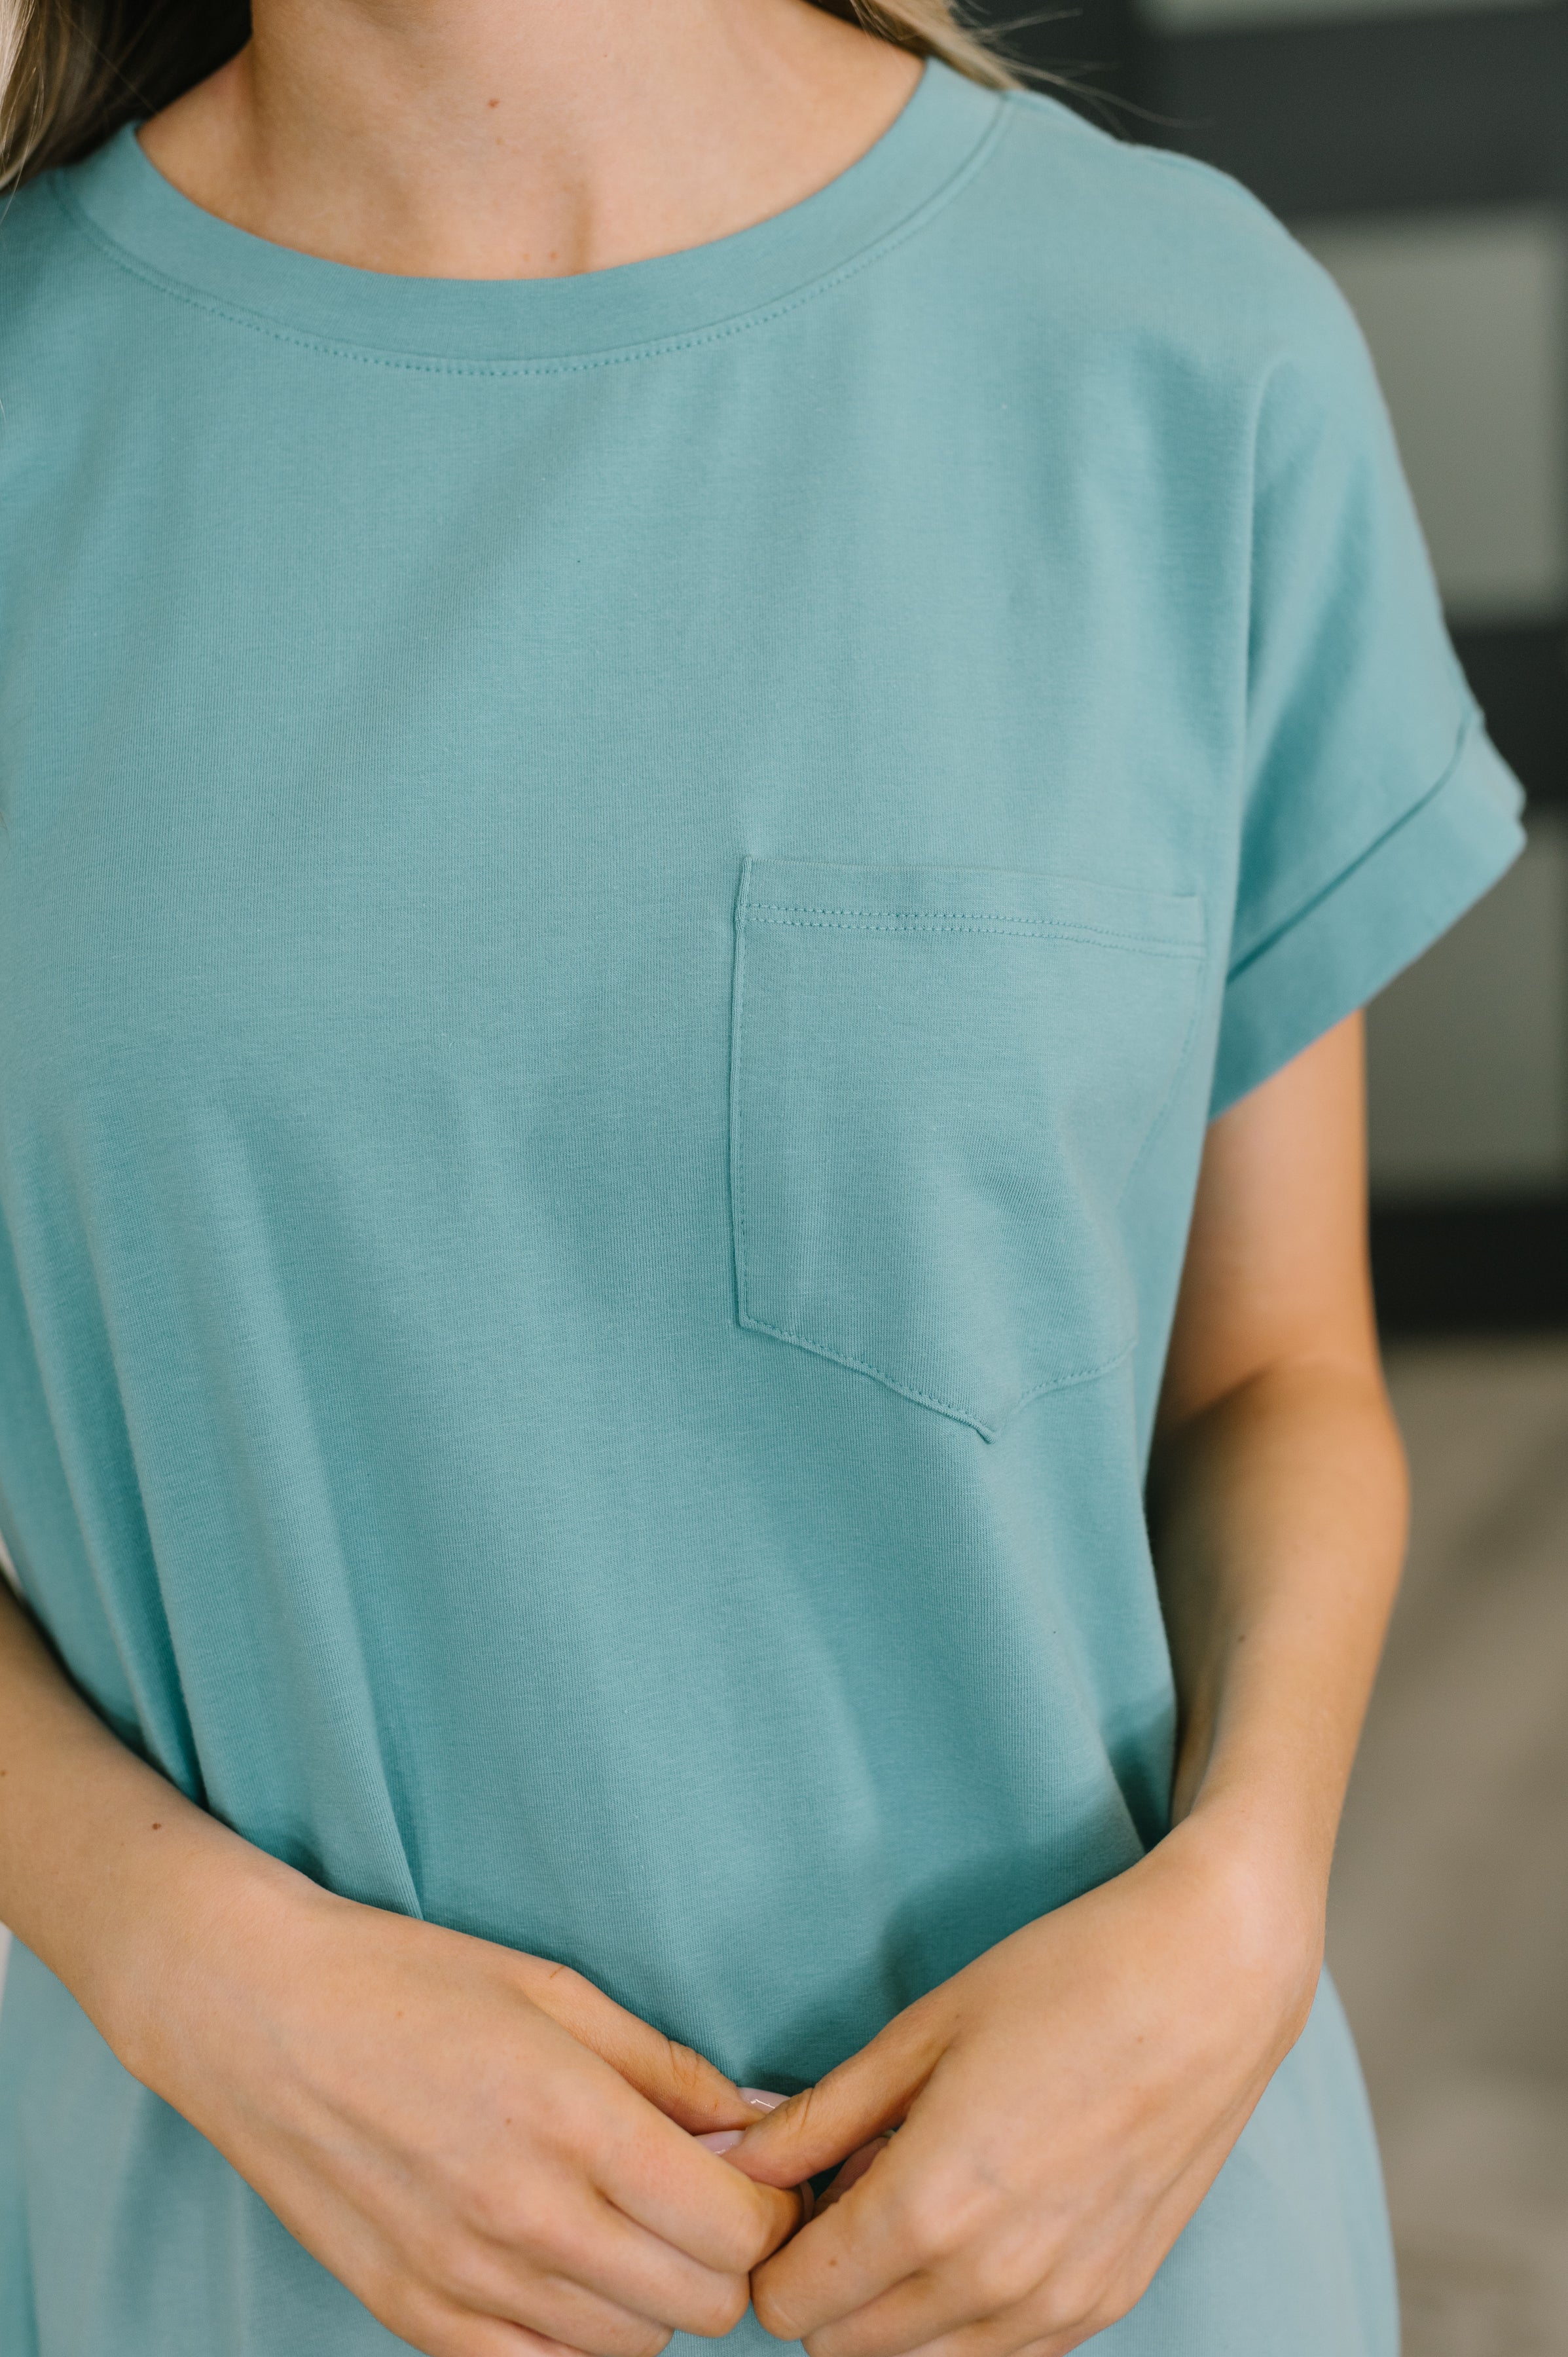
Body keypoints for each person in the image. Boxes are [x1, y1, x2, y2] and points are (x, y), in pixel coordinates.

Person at [0, 1, 1527, 2352]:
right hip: (243, 2243)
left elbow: (1268, 1375)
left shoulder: (1174, 345)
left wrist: (1234, 1915)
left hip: (1104, 2255)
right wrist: (177, 1956)